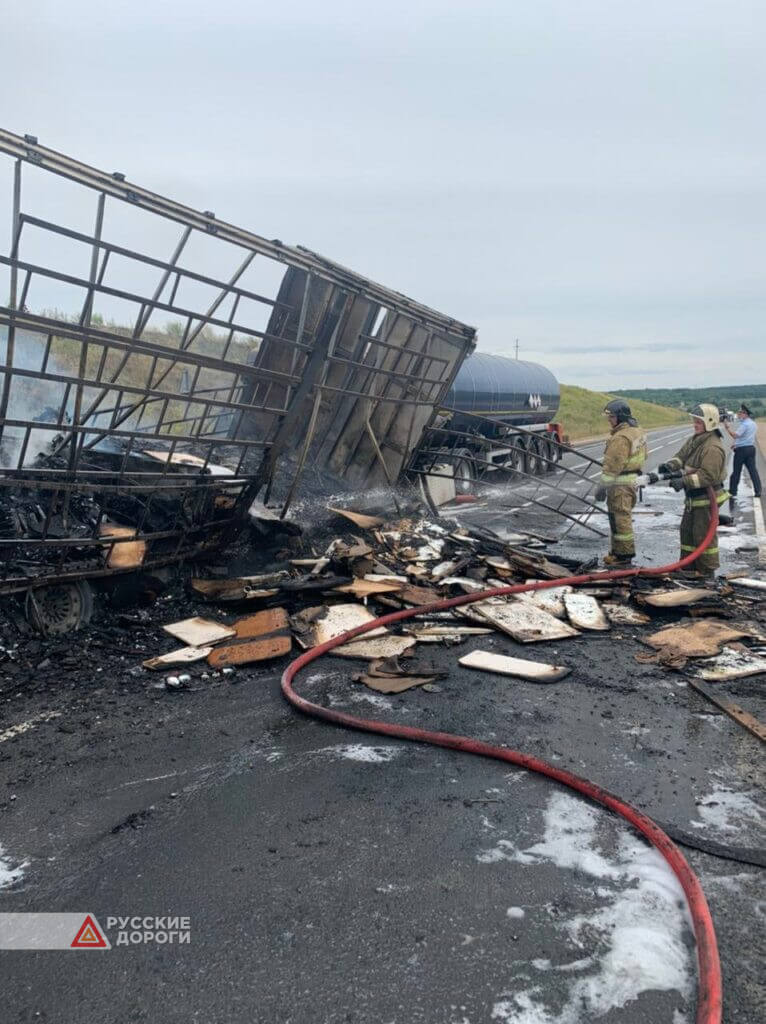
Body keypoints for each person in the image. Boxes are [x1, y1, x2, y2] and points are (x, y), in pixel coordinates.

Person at [658, 403, 728, 578]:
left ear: (709, 423)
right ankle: (688, 567)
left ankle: (706, 572)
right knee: (688, 532)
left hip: (706, 499)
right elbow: (681, 456)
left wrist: (684, 481)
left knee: (703, 536)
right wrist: (669, 466)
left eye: (698, 421)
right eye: (694, 421)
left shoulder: (712, 447)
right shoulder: (696, 439)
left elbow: (707, 477)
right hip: (694, 499)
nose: (694, 424)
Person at [594, 399, 647, 566]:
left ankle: (624, 556)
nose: (609, 420)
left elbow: (612, 467)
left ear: (620, 417)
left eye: (612, 417)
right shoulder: (637, 432)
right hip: (631, 483)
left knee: (620, 520)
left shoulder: (620, 437)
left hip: (620, 487)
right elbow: (645, 455)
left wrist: (602, 487)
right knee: (619, 519)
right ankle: (617, 552)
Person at [724, 404, 762, 501]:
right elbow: (745, 438)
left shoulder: (744, 424)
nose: (739, 414)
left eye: (740, 412)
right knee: (753, 470)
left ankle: (732, 491)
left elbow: (736, 435)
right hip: (751, 448)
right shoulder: (753, 423)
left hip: (742, 451)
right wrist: (735, 444)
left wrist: (727, 428)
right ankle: (758, 491)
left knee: (736, 471)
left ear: (745, 414)